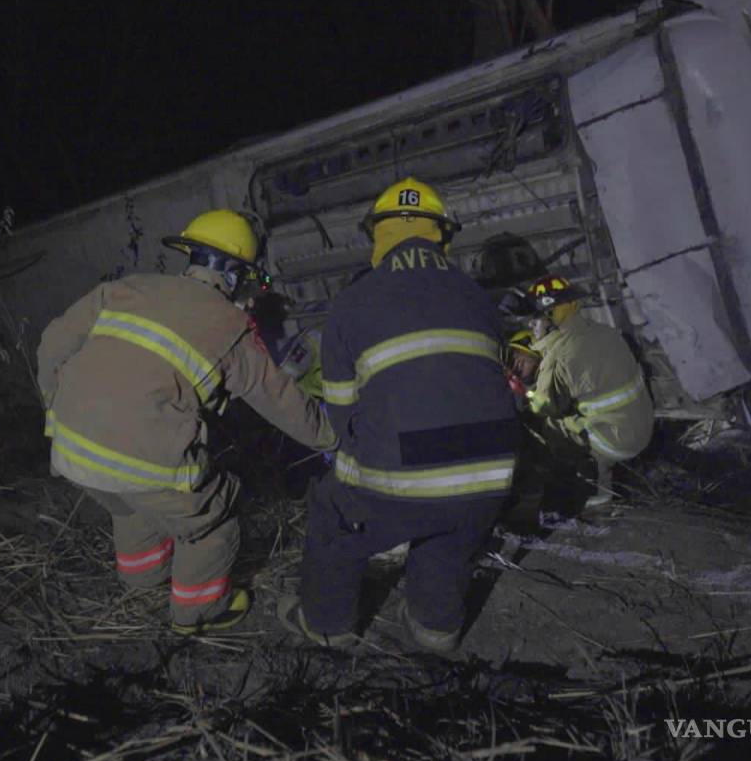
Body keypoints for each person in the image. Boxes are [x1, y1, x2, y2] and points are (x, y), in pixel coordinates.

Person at [36, 209, 336, 636]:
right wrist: (332, 435)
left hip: (69, 449)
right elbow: (283, 403)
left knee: (128, 502)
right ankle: (198, 613)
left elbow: (51, 345)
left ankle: (141, 579)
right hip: (145, 458)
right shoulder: (230, 327)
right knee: (213, 517)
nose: (252, 295)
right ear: (232, 276)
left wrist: (57, 407)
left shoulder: (125, 289)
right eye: (250, 281)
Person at [278, 177, 519, 653]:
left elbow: (343, 414)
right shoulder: (477, 296)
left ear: (377, 238)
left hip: (406, 473)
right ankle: (436, 626)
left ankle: (328, 623)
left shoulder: (352, 302)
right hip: (491, 470)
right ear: (442, 237)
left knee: (333, 509)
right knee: (450, 533)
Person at [501, 274, 653, 514]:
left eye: (535, 319)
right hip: (644, 429)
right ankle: (612, 472)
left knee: (548, 427)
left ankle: (591, 489)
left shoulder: (559, 356)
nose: (531, 325)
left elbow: (545, 407)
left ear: (551, 316)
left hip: (616, 442)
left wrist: (525, 394)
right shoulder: (605, 332)